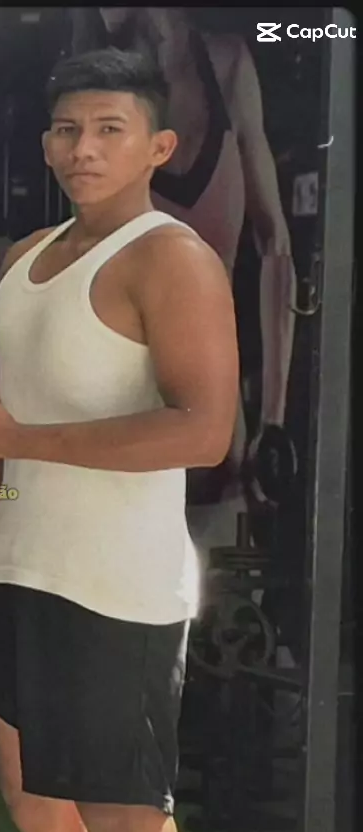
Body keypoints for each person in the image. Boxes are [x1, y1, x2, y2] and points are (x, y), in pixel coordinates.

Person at [0, 48, 239, 832]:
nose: (83, 148)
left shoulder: (172, 257)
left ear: (159, 147)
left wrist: (17, 438)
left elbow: (203, 433)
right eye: (66, 129)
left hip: (116, 590)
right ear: (46, 143)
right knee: (36, 809)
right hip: (16, 573)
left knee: (126, 823)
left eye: (108, 129)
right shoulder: (24, 258)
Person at [70, 7, 297, 549]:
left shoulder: (228, 66)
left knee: (217, 587)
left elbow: (276, 246)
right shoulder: (97, 99)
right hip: (120, 427)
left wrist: (273, 420)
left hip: (218, 439)